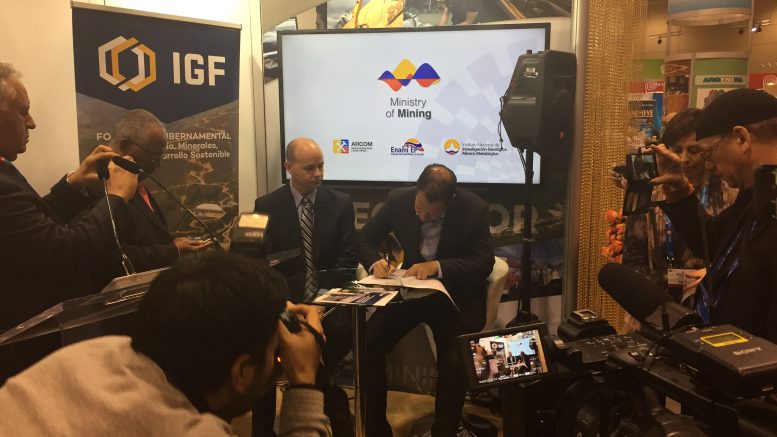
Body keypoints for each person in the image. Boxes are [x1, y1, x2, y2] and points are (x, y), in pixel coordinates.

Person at [0, 251, 328, 436]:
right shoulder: (190, 432)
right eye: (276, 352)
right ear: (241, 372)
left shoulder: (91, 353)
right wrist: (302, 381)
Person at [0, 62, 138, 381]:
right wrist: (115, 198)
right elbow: (65, 252)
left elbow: (32, 230)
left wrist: (73, 184)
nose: (31, 123)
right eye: (23, 112)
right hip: (23, 359)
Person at [356, 163, 494, 436]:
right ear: (416, 191)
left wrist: (438, 266)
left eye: (430, 214)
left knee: (453, 362)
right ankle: (376, 430)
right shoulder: (398, 200)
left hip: (453, 296)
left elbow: (483, 263)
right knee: (368, 345)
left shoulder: (474, 209)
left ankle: (444, 431)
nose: (421, 216)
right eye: (419, 209)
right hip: (410, 292)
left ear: (449, 202)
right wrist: (374, 263)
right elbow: (365, 239)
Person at [651, 88, 777, 343]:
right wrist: (680, 191)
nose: (708, 166)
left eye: (708, 153)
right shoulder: (754, 195)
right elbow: (711, 242)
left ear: (741, 138)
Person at [254, 137, 356, 437]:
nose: (319, 174)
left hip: (328, 303)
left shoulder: (340, 204)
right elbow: (259, 263)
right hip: (283, 304)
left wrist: (320, 302)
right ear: (289, 168)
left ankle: (325, 413)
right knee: (264, 349)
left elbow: (347, 260)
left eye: (321, 166)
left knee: (332, 337)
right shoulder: (266, 205)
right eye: (310, 168)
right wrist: (283, 303)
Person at [614, 109, 737, 307]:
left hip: (713, 304)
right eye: (676, 150)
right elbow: (634, 257)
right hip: (657, 306)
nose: (683, 159)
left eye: (694, 150)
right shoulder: (652, 191)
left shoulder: (729, 192)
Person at [78, 109, 210, 291]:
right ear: (125, 146)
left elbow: (142, 233)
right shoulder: (96, 183)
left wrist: (173, 242)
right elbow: (108, 255)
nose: (160, 164)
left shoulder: (133, 176)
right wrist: (173, 252)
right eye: (154, 156)